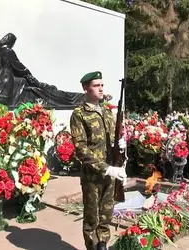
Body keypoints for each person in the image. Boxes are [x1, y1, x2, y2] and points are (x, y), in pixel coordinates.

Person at [70, 71, 127, 250]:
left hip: (110, 172)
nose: (101, 88)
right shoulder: (79, 114)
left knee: (106, 214)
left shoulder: (107, 112)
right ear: (86, 88)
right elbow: (81, 149)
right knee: (92, 217)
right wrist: (105, 168)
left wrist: (122, 145)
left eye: (102, 85)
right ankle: (92, 246)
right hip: (93, 175)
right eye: (96, 85)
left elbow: (113, 142)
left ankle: (103, 243)